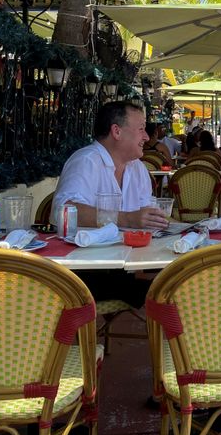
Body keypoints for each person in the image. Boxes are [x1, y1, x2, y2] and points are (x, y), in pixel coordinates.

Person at [52, 101, 170, 305]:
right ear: (116, 131)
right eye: (141, 129)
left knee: (182, 278)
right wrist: (128, 219)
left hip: (124, 266)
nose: (146, 137)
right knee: (170, 291)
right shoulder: (87, 160)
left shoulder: (137, 168)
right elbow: (62, 210)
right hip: (83, 272)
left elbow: (145, 219)